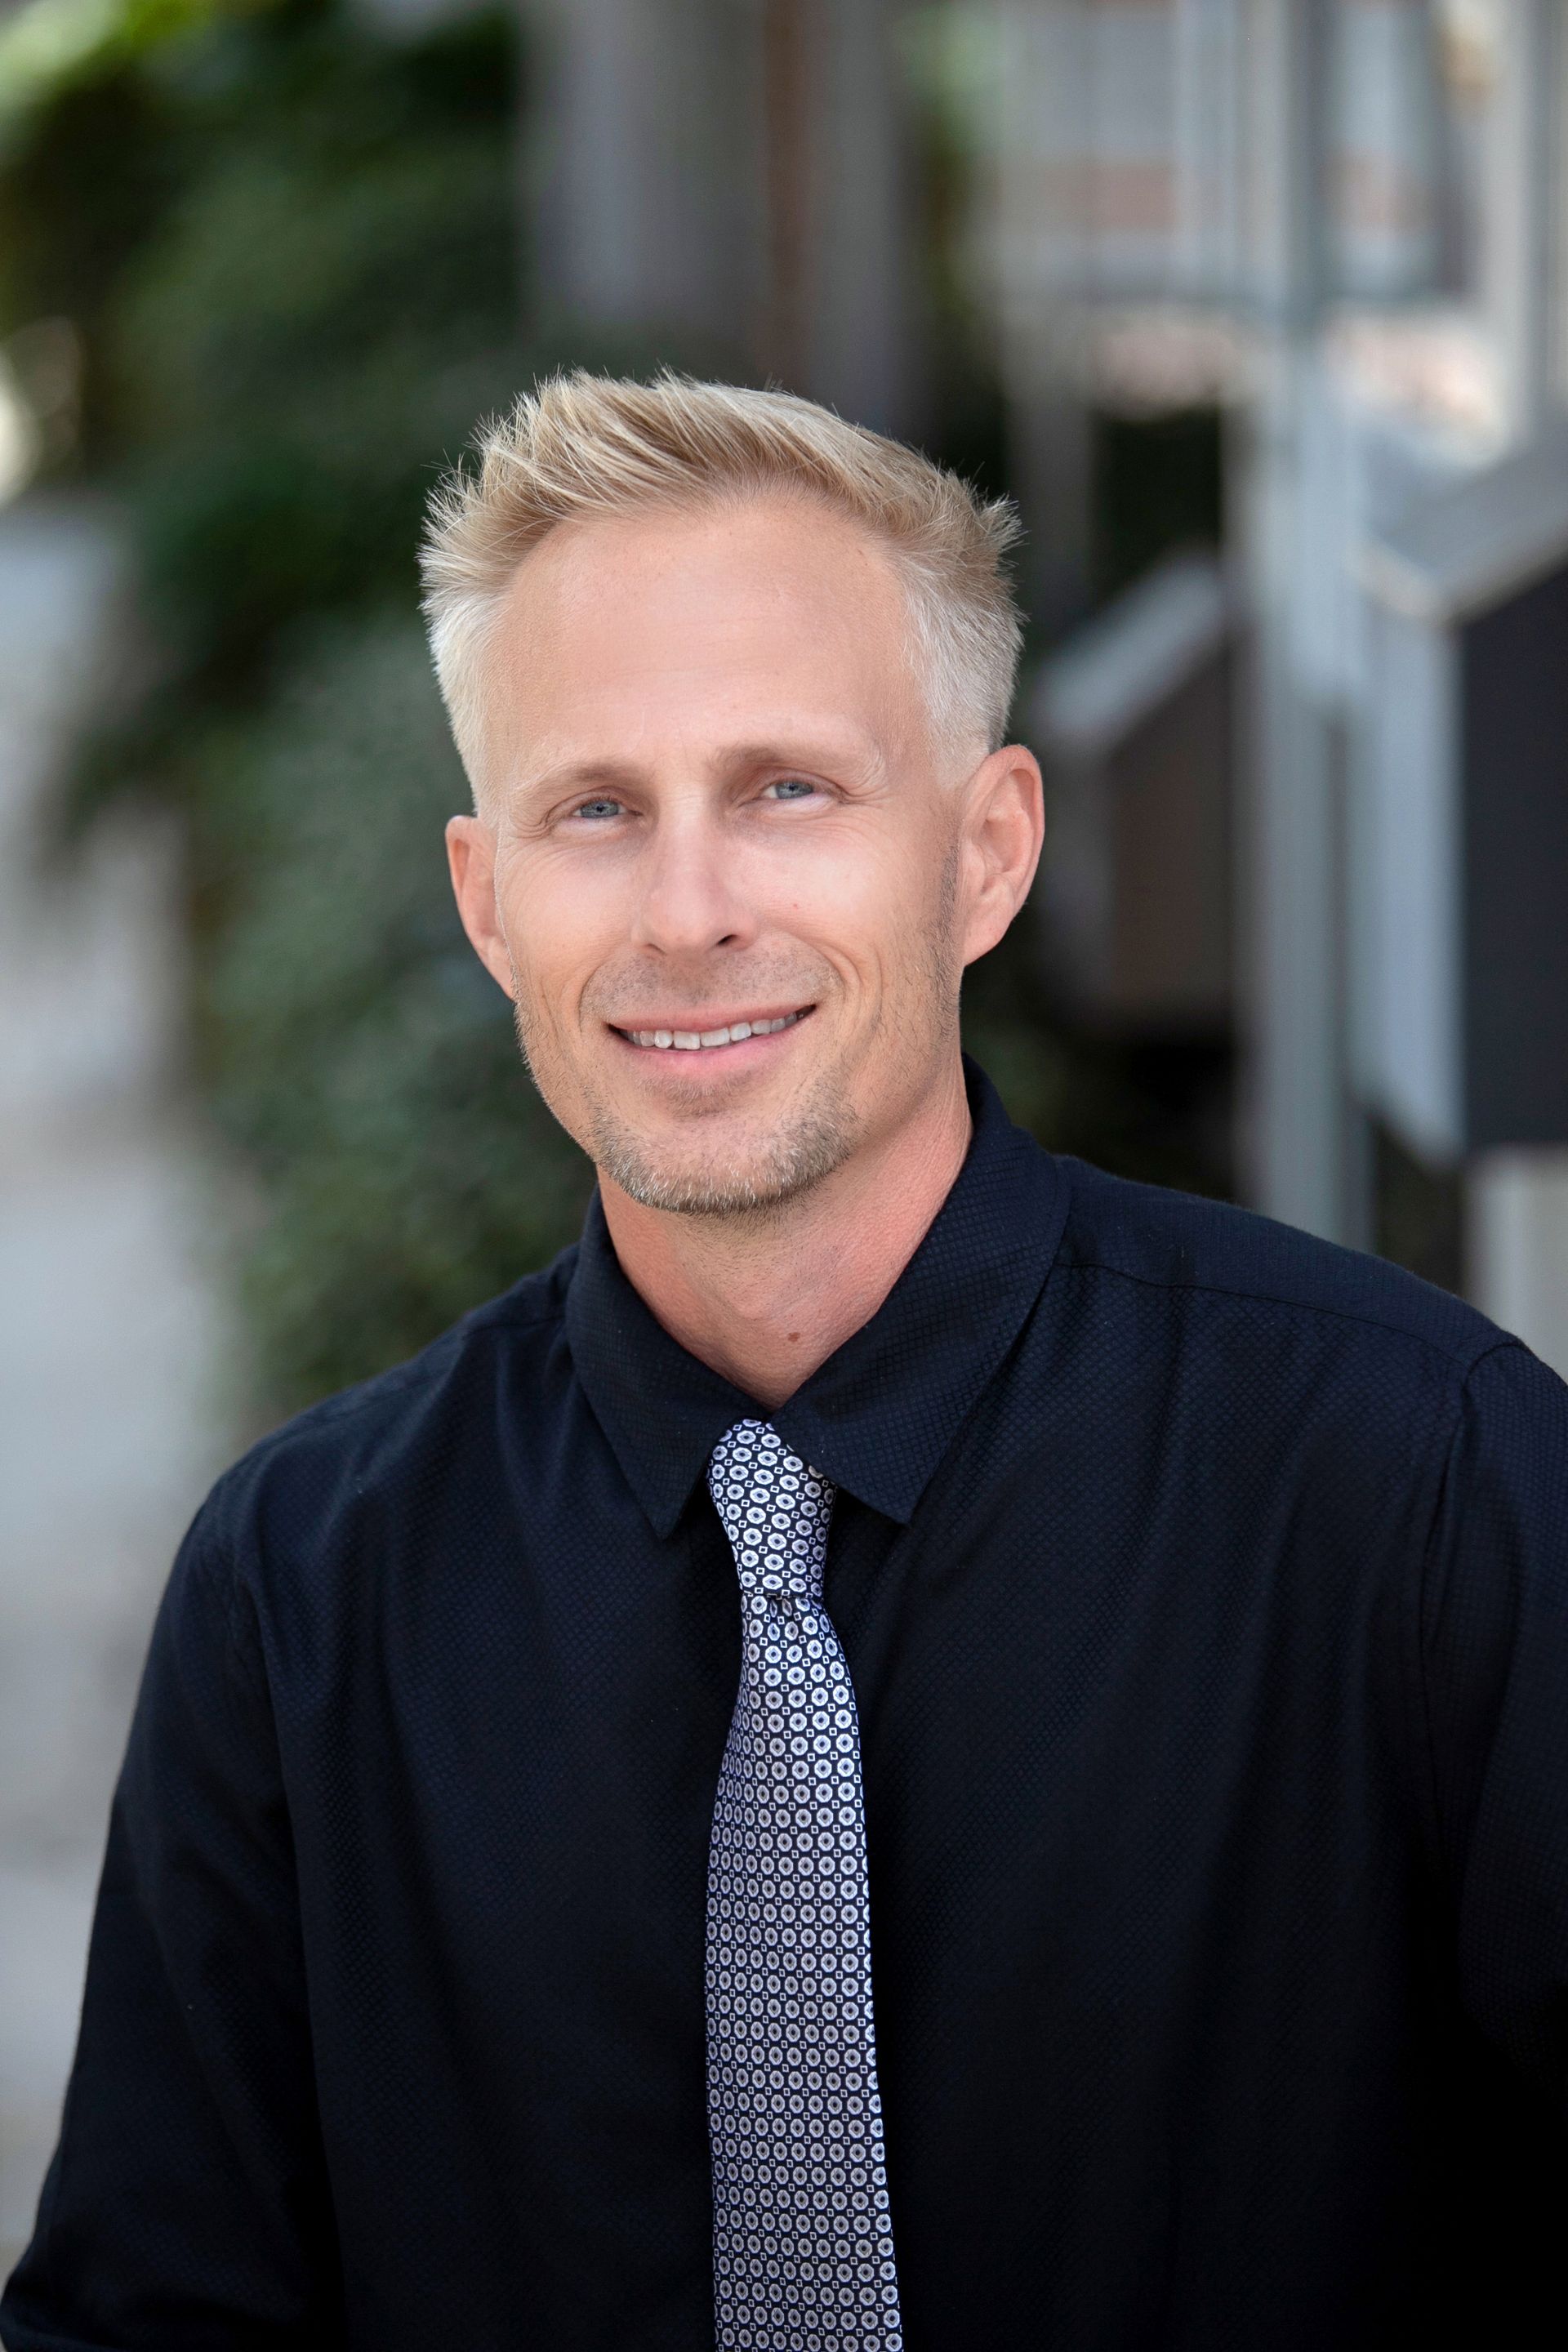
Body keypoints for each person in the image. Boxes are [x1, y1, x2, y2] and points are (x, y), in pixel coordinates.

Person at [4, 373, 1565, 2352]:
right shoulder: (303, 1595)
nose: (689, 912)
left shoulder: (1422, 1487)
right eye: (596, 809)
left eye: (786, 791)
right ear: (489, 903)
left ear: (986, 852)